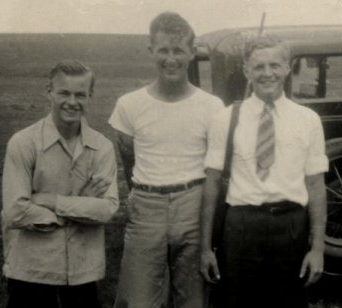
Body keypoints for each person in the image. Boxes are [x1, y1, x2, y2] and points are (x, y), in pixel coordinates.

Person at [200, 35, 328, 308]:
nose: (267, 73)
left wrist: (317, 249)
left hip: (291, 226)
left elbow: (316, 185)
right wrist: (204, 248)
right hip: (241, 227)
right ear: (247, 70)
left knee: (288, 301)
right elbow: (211, 184)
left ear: (286, 68)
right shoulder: (225, 119)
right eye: (259, 67)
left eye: (274, 65)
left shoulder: (308, 120)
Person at [108, 11, 223, 308]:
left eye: (178, 50)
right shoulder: (129, 105)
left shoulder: (211, 106)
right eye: (163, 50)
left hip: (193, 205)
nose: (171, 59)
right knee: (137, 299)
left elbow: (214, 171)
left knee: (193, 298)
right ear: (151, 51)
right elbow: (128, 159)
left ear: (191, 53)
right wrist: (147, 194)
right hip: (147, 207)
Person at [2, 60, 119, 308]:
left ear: (90, 97)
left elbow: (107, 209)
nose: (72, 102)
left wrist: (48, 200)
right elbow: (15, 211)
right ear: (49, 92)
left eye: (80, 94)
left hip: (83, 273)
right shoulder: (23, 143)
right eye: (64, 93)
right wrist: (79, 204)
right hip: (31, 270)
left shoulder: (102, 147)